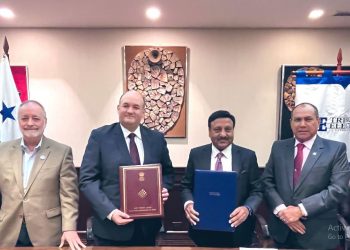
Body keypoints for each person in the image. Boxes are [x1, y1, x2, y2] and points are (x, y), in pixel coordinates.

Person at [79, 90, 174, 246]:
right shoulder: (100, 136)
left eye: (136, 107)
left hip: (148, 230)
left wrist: (162, 189)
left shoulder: (156, 139)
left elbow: (168, 173)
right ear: (118, 109)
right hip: (110, 230)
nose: (130, 110)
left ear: (143, 112)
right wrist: (110, 212)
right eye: (126, 106)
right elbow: (87, 180)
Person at [262, 102, 350, 249]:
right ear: (291, 123)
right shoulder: (279, 147)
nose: (302, 124)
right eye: (297, 120)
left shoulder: (336, 149)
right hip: (282, 233)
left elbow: (338, 189)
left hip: (318, 235)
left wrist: (300, 210)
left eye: (308, 119)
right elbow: (266, 181)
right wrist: (283, 211)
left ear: (318, 121)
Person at [0, 100, 85, 249]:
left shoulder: (62, 152)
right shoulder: (2, 150)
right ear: (18, 121)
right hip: (8, 231)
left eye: (36, 118)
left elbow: (68, 195)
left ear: (45, 122)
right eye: (24, 118)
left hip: (47, 232)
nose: (30, 123)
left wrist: (69, 228)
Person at [181, 110, 262, 247]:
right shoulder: (196, 154)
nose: (223, 134)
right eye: (217, 129)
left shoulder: (248, 156)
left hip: (238, 229)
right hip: (202, 228)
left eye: (228, 129)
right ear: (209, 132)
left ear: (233, 131)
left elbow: (257, 191)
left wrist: (247, 208)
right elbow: (186, 186)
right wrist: (188, 203)